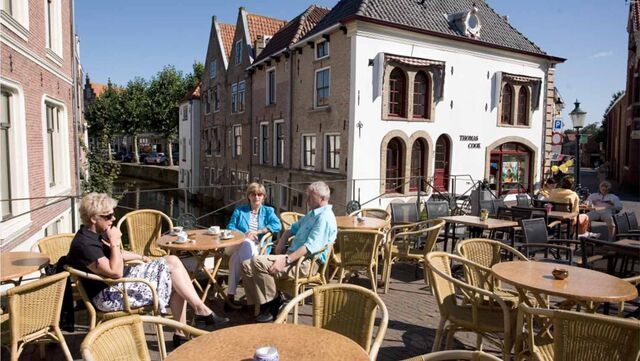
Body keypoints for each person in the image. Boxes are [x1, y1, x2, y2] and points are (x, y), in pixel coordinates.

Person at [66, 193, 229, 346]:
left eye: (113, 214)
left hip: (120, 283)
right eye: (108, 216)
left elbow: (118, 255)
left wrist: (144, 258)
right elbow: (114, 271)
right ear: (94, 218)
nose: (113, 218)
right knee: (172, 266)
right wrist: (115, 241)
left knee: (174, 274)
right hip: (109, 295)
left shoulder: (95, 233)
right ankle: (199, 312)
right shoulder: (85, 244)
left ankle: (182, 333)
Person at [241, 181, 337, 323]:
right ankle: (258, 303)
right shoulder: (312, 214)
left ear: (322, 199)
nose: (307, 199)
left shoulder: (324, 218)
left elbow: (309, 247)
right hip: (292, 255)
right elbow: (292, 227)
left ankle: (274, 304)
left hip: (306, 264)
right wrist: (282, 240)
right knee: (245, 264)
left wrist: (285, 260)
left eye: (311, 196)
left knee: (257, 261)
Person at [225, 182, 282, 309]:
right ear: (248, 196)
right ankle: (254, 292)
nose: (256, 197)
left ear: (263, 197)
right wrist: (244, 235)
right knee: (246, 243)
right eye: (253, 194)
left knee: (235, 259)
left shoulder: (268, 211)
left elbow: (278, 225)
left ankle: (230, 297)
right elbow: (230, 227)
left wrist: (259, 231)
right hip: (238, 242)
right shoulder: (240, 210)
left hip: (259, 246)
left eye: (259, 194)